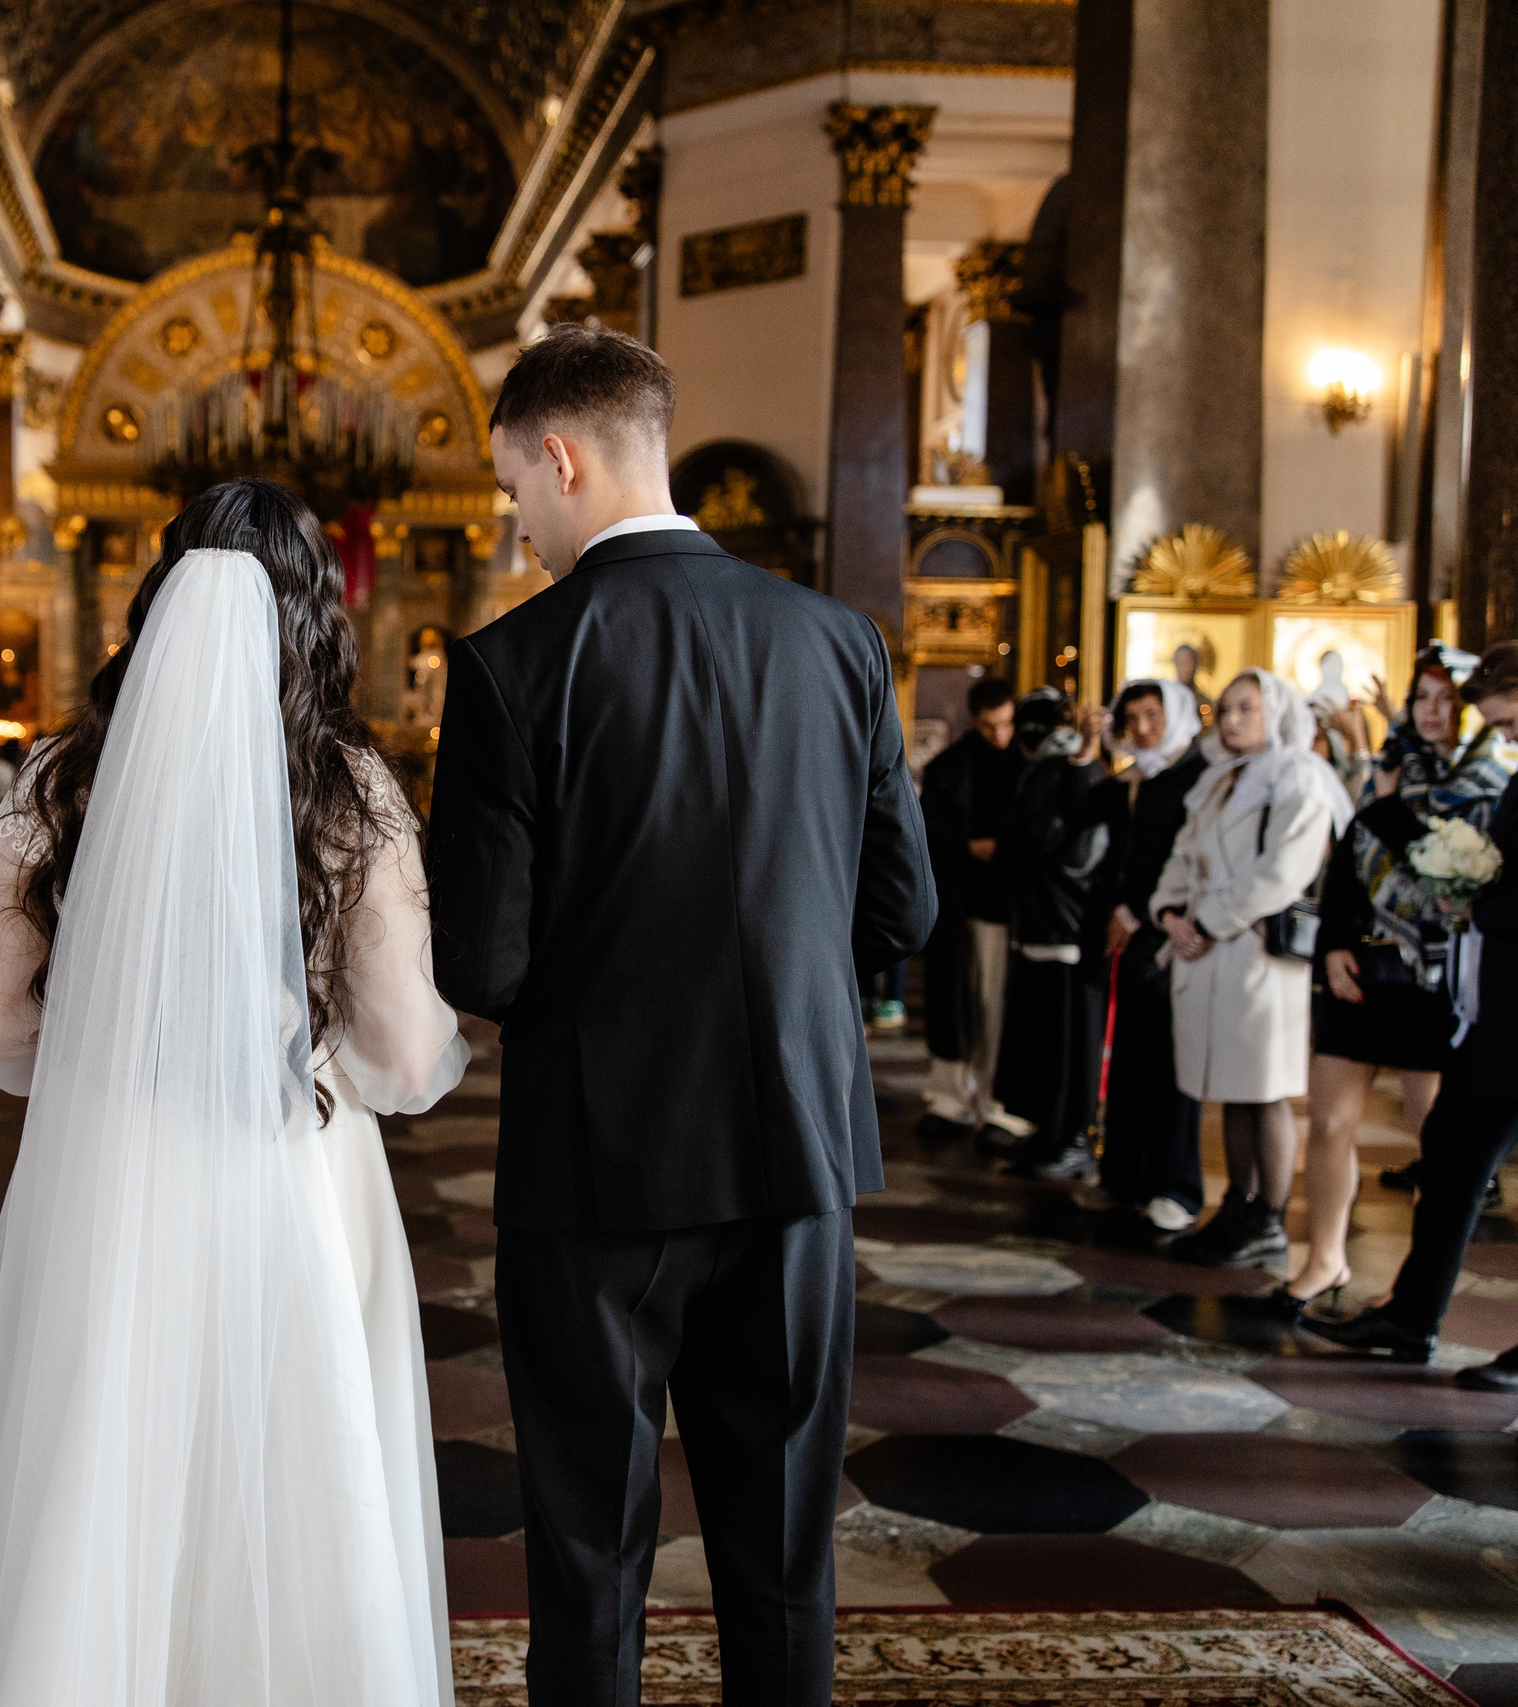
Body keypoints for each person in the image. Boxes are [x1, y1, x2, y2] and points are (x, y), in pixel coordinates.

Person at [0, 480, 468, 1704]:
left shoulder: (58, 780)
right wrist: (311, 1063)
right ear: (314, 615)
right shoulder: (351, 790)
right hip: (292, 1165)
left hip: (111, 1161)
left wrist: (112, 1059)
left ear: (154, 600)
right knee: (296, 1450)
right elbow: (409, 1059)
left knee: (102, 1440)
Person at [430, 327, 934, 1707]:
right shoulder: (839, 643)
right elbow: (906, 910)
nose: (517, 522)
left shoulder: (506, 666)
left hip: (595, 1165)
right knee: (782, 1542)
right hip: (796, 1152)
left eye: (512, 489)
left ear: (561, 453)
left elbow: (482, 960)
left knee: (589, 1542)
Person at [1308, 641, 1518, 1392]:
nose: (1505, 736)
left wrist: (1482, 903)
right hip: (1501, 1013)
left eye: (1507, 719)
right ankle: (1411, 1317)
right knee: (1449, 1156)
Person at [1283, 648, 1509, 1316]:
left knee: (1431, 1140)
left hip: (1435, 977)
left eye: (1448, 698)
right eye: (1423, 698)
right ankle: (1323, 1258)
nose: (1433, 712)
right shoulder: (1390, 764)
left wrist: (1389, 810)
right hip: (1364, 963)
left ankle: (1409, 1283)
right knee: (1327, 1120)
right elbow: (1350, 859)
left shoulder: (1495, 780)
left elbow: (1460, 869)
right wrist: (1334, 945)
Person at [1150, 669, 1350, 1268]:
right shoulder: (1216, 778)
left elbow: (1284, 870)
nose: (1231, 719)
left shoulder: (1300, 776)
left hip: (1257, 953)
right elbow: (1183, 854)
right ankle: (1237, 1202)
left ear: (1277, 712)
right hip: (1206, 949)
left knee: (1265, 1090)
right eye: (1226, 709)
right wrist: (1169, 914)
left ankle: (1270, 1217)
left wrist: (1208, 922)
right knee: (1229, 1089)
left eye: (1246, 708)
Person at [1092, 679, 1209, 1230]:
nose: (1142, 728)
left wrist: (1137, 910)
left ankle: (1176, 1186)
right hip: (1136, 932)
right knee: (1134, 1059)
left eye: (1152, 715)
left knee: (1172, 1065)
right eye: (1133, 718)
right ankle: (1126, 1175)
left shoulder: (1197, 777)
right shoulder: (1140, 776)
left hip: (1176, 934)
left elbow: (1180, 861)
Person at [990, 691, 1112, 1180]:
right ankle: (1047, 1129)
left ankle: (1073, 1136)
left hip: (1066, 922)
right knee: (1041, 1038)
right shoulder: (1044, 766)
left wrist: (1014, 849)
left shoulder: (1076, 768)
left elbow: (1073, 842)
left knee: (1068, 1041)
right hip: (1040, 919)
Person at [917, 675, 1027, 1145]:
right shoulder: (949, 767)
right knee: (952, 1003)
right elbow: (926, 830)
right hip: (958, 901)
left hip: (1004, 905)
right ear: (974, 720)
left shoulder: (1029, 767)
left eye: (1006, 725)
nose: (999, 736)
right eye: (989, 727)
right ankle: (949, 1097)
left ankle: (994, 1101)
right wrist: (967, 845)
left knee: (994, 1005)